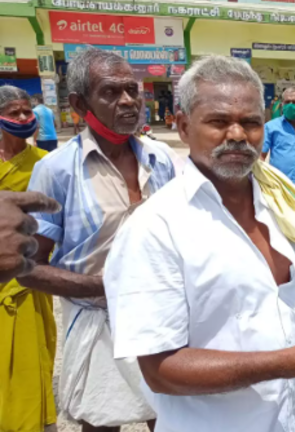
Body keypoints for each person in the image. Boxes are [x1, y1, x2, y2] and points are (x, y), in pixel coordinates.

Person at [103, 55, 295, 432]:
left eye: (251, 122)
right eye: (219, 121)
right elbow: (160, 370)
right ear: (183, 126)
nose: (238, 135)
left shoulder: (282, 207)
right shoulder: (156, 227)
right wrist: (288, 362)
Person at [19, 48, 178, 432]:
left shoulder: (162, 158)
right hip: (97, 324)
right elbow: (28, 269)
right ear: (78, 103)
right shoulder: (55, 170)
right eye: (110, 92)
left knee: (173, 418)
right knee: (102, 422)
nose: (128, 101)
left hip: (162, 320)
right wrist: (109, 288)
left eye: (132, 90)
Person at [0, 86, 57, 432]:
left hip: (26, 274)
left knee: (28, 358)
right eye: (14, 112)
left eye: (27, 112)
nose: (23, 118)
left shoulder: (44, 164)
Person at [262, 87, 295, 182]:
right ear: (282, 105)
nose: (291, 106)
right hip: (280, 188)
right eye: (287, 102)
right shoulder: (270, 128)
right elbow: (261, 157)